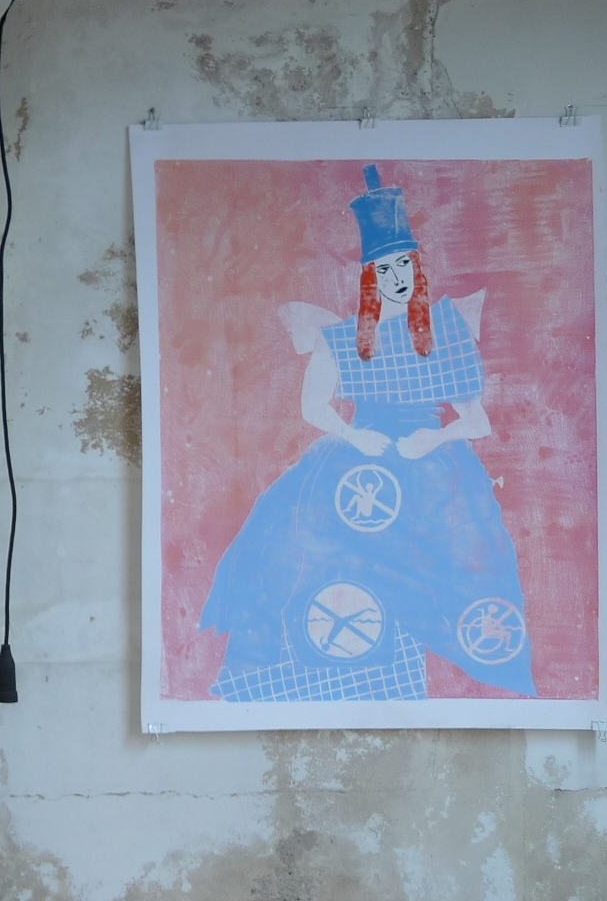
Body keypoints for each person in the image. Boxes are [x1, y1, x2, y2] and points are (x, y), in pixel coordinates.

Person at [200, 165, 536, 700]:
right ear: (369, 276)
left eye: (404, 264)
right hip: (357, 465)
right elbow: (313, 406)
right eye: (385, 267)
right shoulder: (343, 339)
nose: (396, 276)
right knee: (294, 541)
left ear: (417, 268)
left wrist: (434, 439)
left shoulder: (445, 331)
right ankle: (298, 673)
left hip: (433, 470)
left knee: (456, 568)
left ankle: (431, 677)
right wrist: (355, 438)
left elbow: (478, 421)